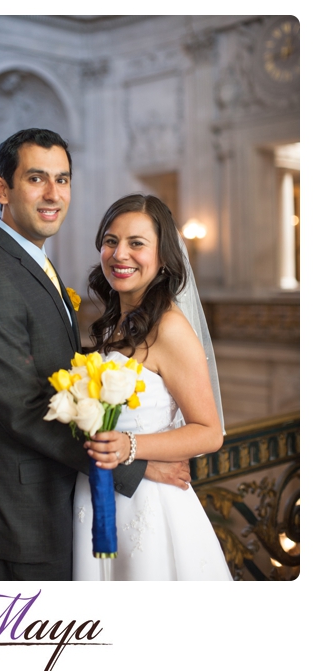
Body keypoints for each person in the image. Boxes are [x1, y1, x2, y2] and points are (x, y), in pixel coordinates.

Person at [0, 128, 190, 581]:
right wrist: (135, 466)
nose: (53, 193)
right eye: (37, 178)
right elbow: (23, 410)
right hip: (19, 523)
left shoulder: (33, 261)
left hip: (59, 507)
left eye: (63, 179)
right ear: (2, 188)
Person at [73, 194, 231, 580]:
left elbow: (210, 432)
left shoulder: (171, 329)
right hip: (98, 496)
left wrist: (131, 449)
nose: (119, 254)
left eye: (136, 243)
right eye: (111, 241)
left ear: (163, 258)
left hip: (147, 506)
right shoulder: (115, 322)